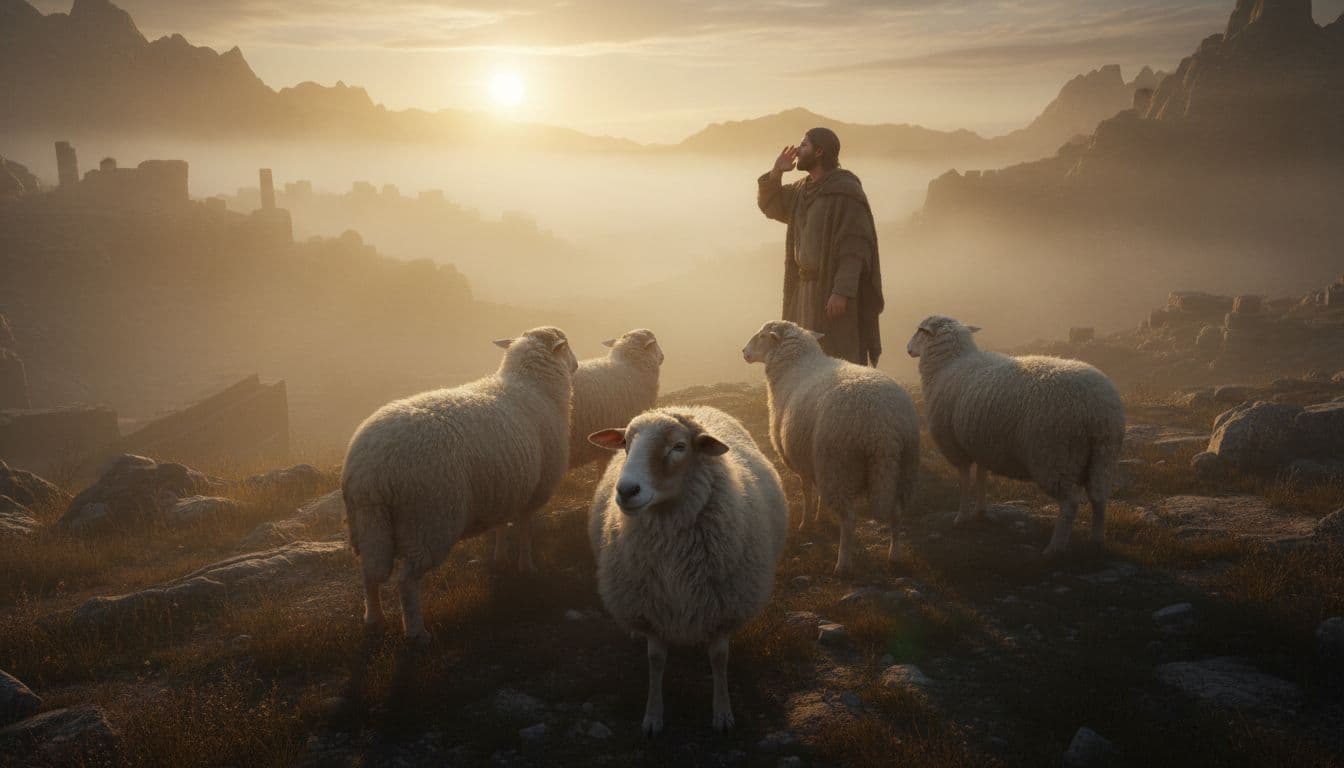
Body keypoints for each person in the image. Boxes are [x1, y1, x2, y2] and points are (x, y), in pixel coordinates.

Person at [757, 127, 884, 366]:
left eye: (804, 145)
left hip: (830, 291)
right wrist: (776, 171)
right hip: (802, 289)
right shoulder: (802, 190)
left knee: (836, 356)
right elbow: (770, 205)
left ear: (819, 152)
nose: (798, 149)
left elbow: (854, 246)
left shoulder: (846, 192)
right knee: (801, 356)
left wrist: (842, 291)